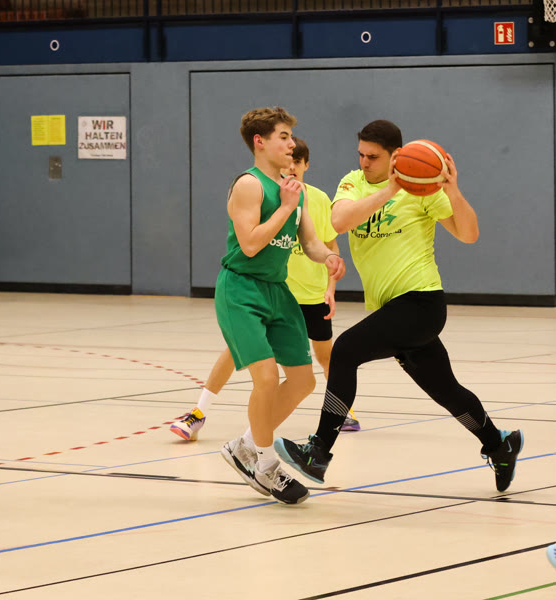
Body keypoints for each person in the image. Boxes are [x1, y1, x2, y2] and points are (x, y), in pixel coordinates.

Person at [274, 120, 523, 492]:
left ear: (396, 156)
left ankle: (318, 452)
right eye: (361, 154)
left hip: (421, 302)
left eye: (373, 157)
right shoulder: (353, 183)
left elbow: (469, 234)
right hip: (391, 309)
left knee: (344, 351)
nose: (364, 162)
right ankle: (499, 445)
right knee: (446, 390)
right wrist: (390, 189)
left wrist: (452, 190)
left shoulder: (423, 191)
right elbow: (339, 221)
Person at [170, 136, 359, 443]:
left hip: (309, 296)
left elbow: (322, 243)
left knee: (322, 360)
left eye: (298, 161)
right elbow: (250, 242)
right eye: (289, 158)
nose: (293, 166)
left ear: (307, 165)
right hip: (270, 289)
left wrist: (331, 282)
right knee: (237, 354)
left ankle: (341, 409)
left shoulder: (315, 198)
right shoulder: (258, 188)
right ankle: (200, 411)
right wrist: (284, 208)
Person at [211, 107, 345, 504]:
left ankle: (245, 446)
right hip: (241, 290)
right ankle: (266, 465)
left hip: (277, 290)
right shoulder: (249, 185)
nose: (291, 144)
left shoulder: (293, 190)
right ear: (260, 141)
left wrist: (328, 257)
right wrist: (285, 206)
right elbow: (251, 243)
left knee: (303, 380)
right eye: (283, 137)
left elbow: (310, 242)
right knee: (267, 378)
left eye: (290, 137)